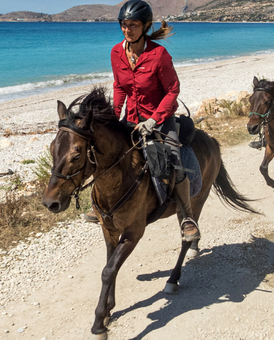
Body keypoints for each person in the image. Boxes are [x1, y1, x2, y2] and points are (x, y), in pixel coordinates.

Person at [84, 0, 200, 243]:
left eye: (133, 25)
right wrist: (113, 114)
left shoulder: (159, 54)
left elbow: (172, 90)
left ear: (145, 26)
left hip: (160, 119)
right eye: (124, 25)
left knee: (173, 159)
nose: (127, 30)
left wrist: (155, 119)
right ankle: (103, 206)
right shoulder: (116, 52)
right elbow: (119, 86)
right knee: (107, 154)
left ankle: (187, 217)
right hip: (131, 119)